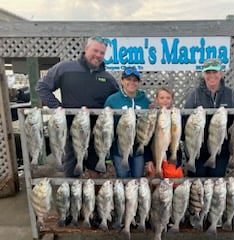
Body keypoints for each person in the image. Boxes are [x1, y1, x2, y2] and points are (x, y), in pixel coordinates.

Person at [36, 36, 119, 178]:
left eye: (102, 53)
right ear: (86, 49)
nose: (98, 55)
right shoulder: (65, 68)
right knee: (72, 171)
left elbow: (118, 99)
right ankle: (72, 199)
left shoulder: (108, 78)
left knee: (96, 172)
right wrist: (57, 107)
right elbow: (42, 87)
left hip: (97, 133)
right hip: (71, 130)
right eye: (95, 51)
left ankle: (94, 198)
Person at [184, 58, 234, 177]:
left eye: (215, 72)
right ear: (203, 74)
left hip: (221, 150)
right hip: (198, 150)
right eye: (208, 72)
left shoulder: (230, 94)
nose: (212, 75)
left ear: (221, 74)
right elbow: (185, 123)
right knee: (197, 187)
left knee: (216, 187)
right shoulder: (194, 95)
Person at [104, 66, 150, 178]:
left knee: (137, 178)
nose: (131, 83)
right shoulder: (112, 100)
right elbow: (105, 128)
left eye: (135, 80)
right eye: (128, 79)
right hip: (120, 148)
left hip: (138, 149)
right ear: (122, 81)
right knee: (122, 176)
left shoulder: (145, 100)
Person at [147, 86, 184, 179]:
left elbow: (180, 135)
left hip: (172, 155)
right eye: (162, 98)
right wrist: (149, 159)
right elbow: (148, 140)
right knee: (157, 182)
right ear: (157, 99)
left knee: (173, 179)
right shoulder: (152, 115)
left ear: (172, 100)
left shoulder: (176, 115)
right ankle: (158, 171)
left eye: (168, 98)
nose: (165, 100)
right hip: (157, 153)